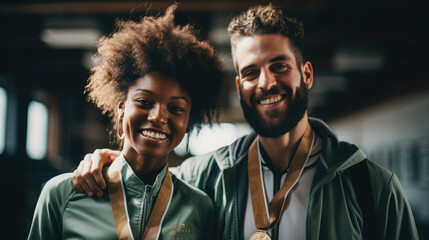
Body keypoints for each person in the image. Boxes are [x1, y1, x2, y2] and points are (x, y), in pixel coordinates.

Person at [72, 3, 419, 240]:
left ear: (307, 74)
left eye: (279, 66)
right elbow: (145, 183)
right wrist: (110, 161)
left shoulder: (370, 185)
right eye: (251, 72)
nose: (266, 82)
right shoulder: (205, 177)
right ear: (240, 88)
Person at [28, 4, 224, 240]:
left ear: (188, 119)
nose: (159, 117)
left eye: (176, 108)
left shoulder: (200, 208)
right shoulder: (61, 195)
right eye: (144, 101)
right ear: (122, 106)